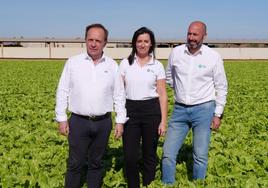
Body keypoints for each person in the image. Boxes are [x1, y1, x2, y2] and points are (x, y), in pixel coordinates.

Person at [55, 23, 126, 188]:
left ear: (105, 43)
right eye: (90, 40)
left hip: (103, 123)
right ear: (85, 40)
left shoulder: (112, 65)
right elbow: (62, 90)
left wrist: (120, 121)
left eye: (98, 41)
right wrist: (61, 118)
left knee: (96, 163)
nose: (94, 44)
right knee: (75, 164)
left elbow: (119, 95)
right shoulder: (73, 63)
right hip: (78, 122)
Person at [162, 21, 228, 184]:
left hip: (204, 110)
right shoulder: (176, 52)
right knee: (168, 153)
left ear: (204, 36)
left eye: (195, 34)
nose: (191, 37)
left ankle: (198, 184)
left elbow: (221, 86)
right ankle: (167, 184)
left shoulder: (213, 57)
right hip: (180, 110)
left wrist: (217, 113)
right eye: (189, 33)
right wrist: (180, 92)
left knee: (200, 155)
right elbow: (169, 77)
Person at [119, 27, 168, 188]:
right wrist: (118, 118)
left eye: (146, 41)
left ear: (151, 43)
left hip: (151, 111)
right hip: (130, 110)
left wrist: (163, 121)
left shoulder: (157, 65)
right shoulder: (125, 63)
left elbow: (162, 94)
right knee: (130, 156)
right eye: (139, 41)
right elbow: (119, 92)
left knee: (149, 154)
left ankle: (148, 184)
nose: (142, 44)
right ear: (134, 43)